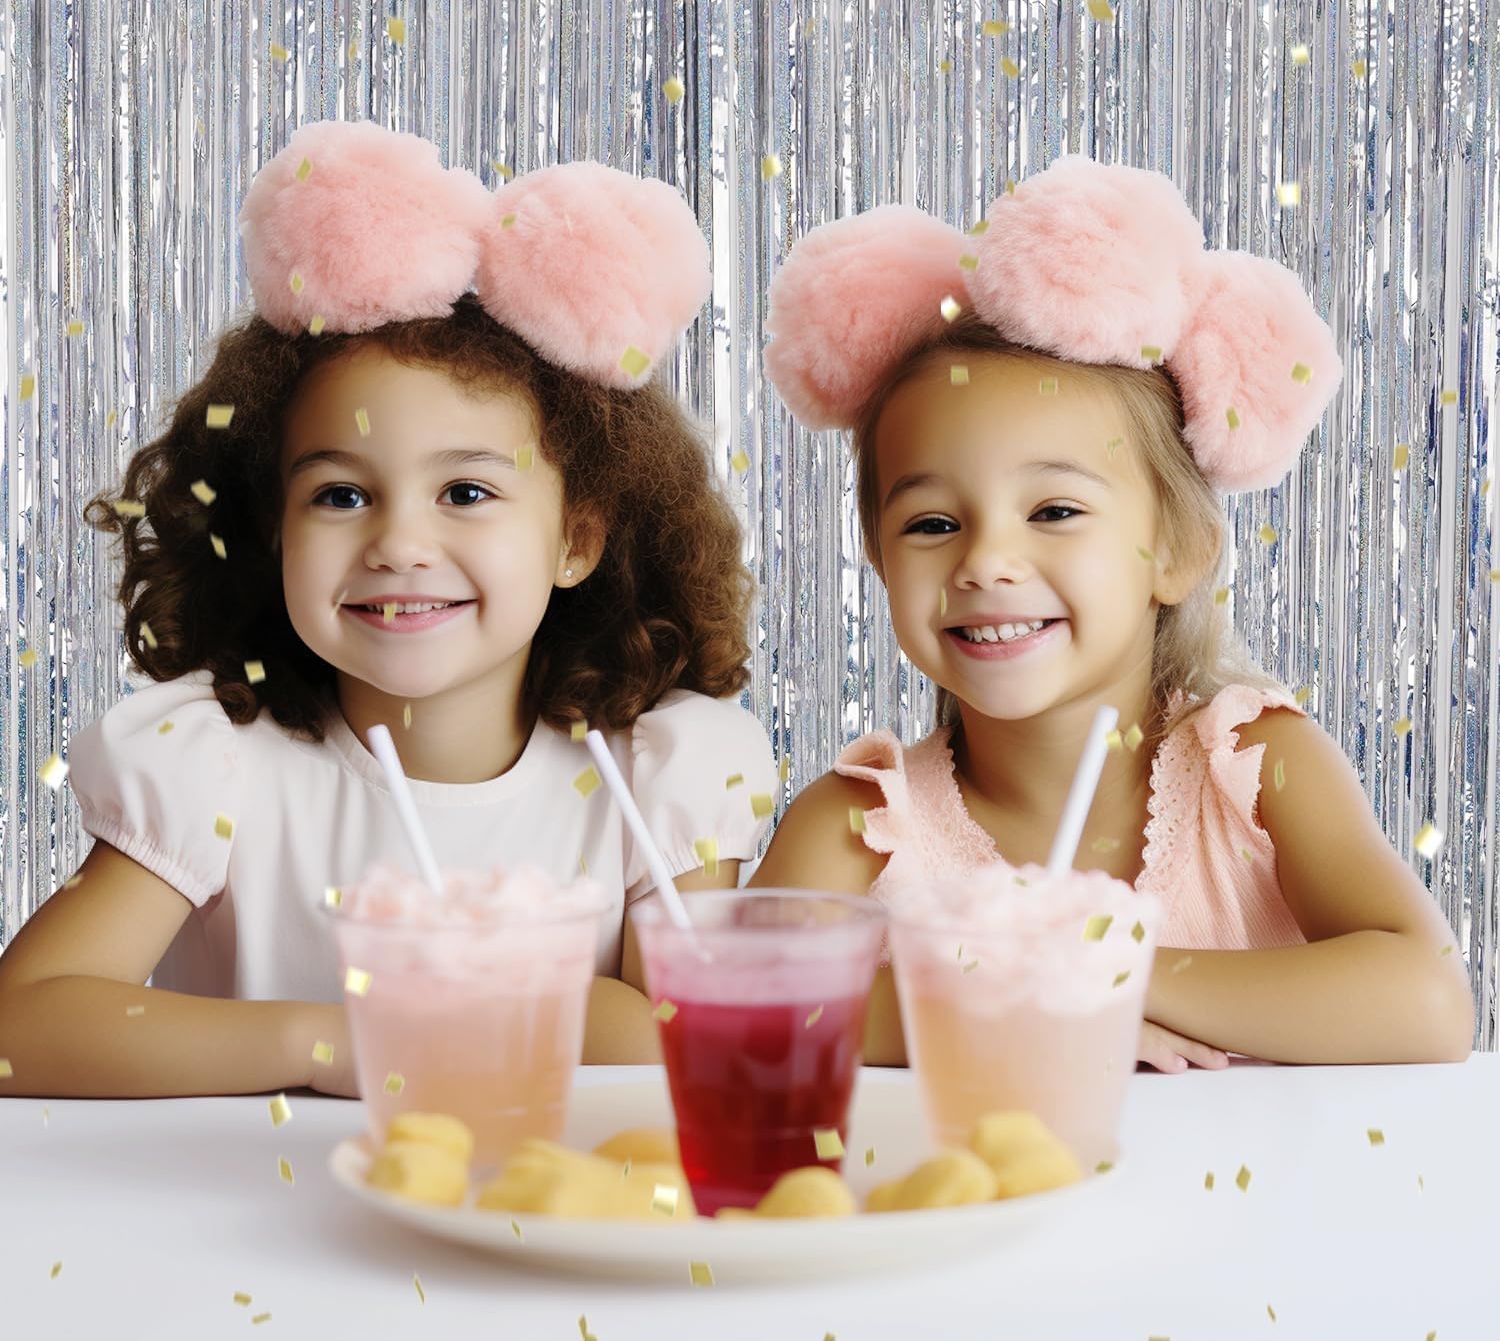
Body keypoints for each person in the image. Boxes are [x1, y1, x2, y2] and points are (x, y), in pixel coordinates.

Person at [0, 122, 776, 1097]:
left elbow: (693, 1038)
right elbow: (20, 1026)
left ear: (576, 539)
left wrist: (482, 1005)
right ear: (274, 532)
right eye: (341, 495)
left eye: (466, 492)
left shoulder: (652, 778)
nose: (399, 544)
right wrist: (336, 1041)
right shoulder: (221, 773)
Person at [751, 155, 1472, 1072]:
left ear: (1177, 549)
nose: (986, 561)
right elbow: (737, 1020)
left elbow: (1429, 1003)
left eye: (1054, 511)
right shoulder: (858, 829)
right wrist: (1007, 1010)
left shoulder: (1258, 770)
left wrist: (1103, 972)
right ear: (878, 553)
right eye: (932, 523)